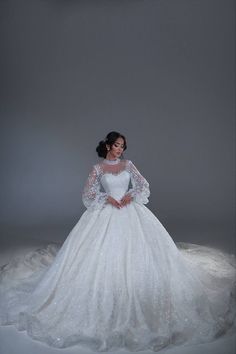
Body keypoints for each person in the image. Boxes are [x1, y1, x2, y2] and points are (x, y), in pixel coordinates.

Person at [0, 131, 235, 352]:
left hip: (131, 211)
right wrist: (108, 199)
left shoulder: (129, 165)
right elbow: (88, 194)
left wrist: (129, 195)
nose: (120, 149)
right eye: (117, 145)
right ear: (107, 146)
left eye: (123, 146)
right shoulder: (98, 168)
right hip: (107, 212)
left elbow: (143, 185)